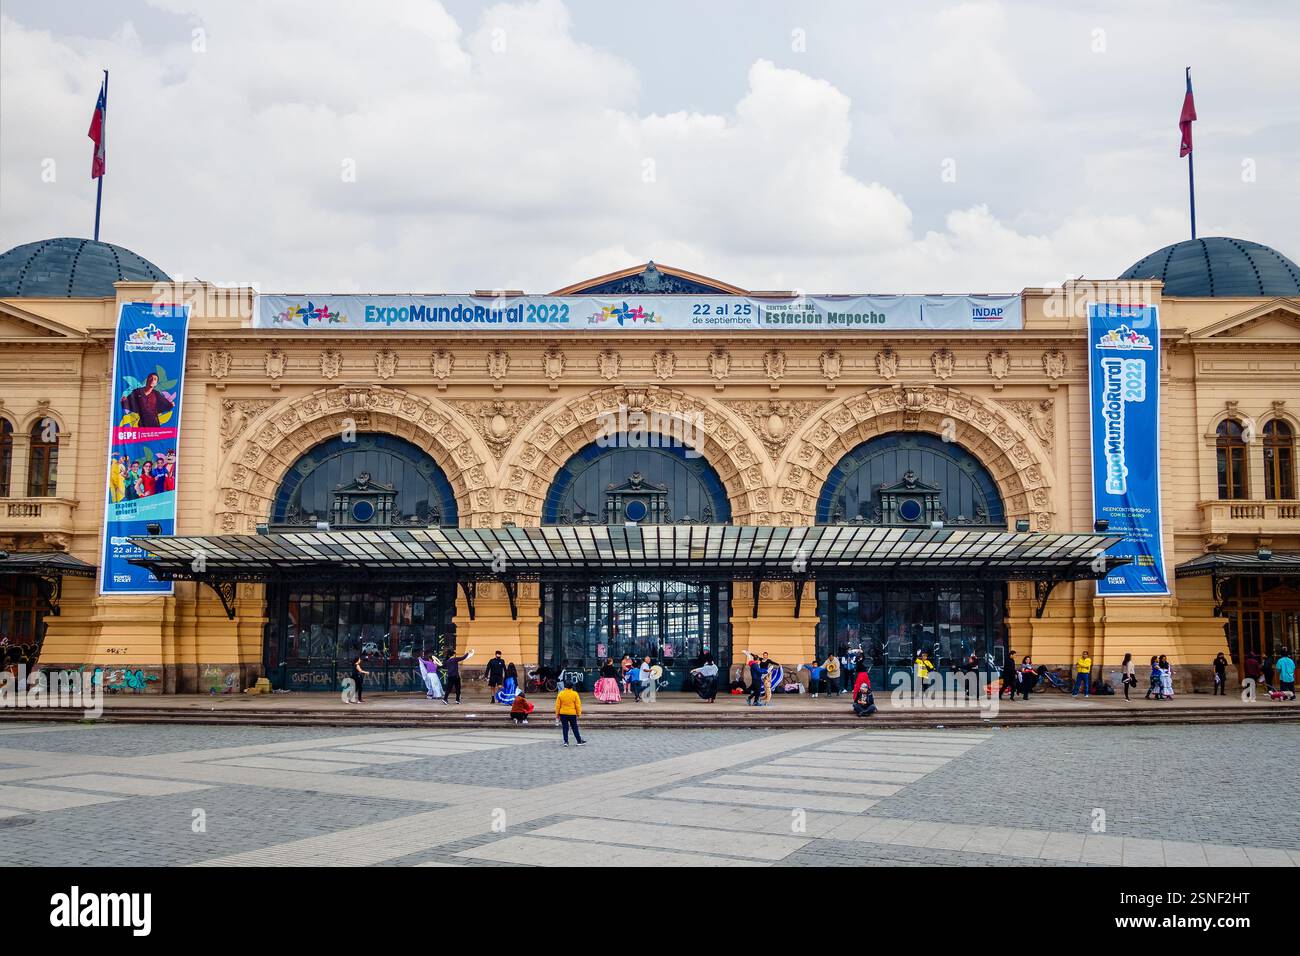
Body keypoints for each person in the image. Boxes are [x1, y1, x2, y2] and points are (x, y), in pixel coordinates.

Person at [554, 680, 586, 746]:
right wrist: (579, 713)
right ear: (572, 686)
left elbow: (557, 705)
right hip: (572, 713)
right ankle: (579, 741)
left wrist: (557, 714)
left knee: (565, 728)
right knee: (574, 727)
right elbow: (578, 705)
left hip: (563, 713)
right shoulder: (575, 694)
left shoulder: (561, 693)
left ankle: (566, 742)